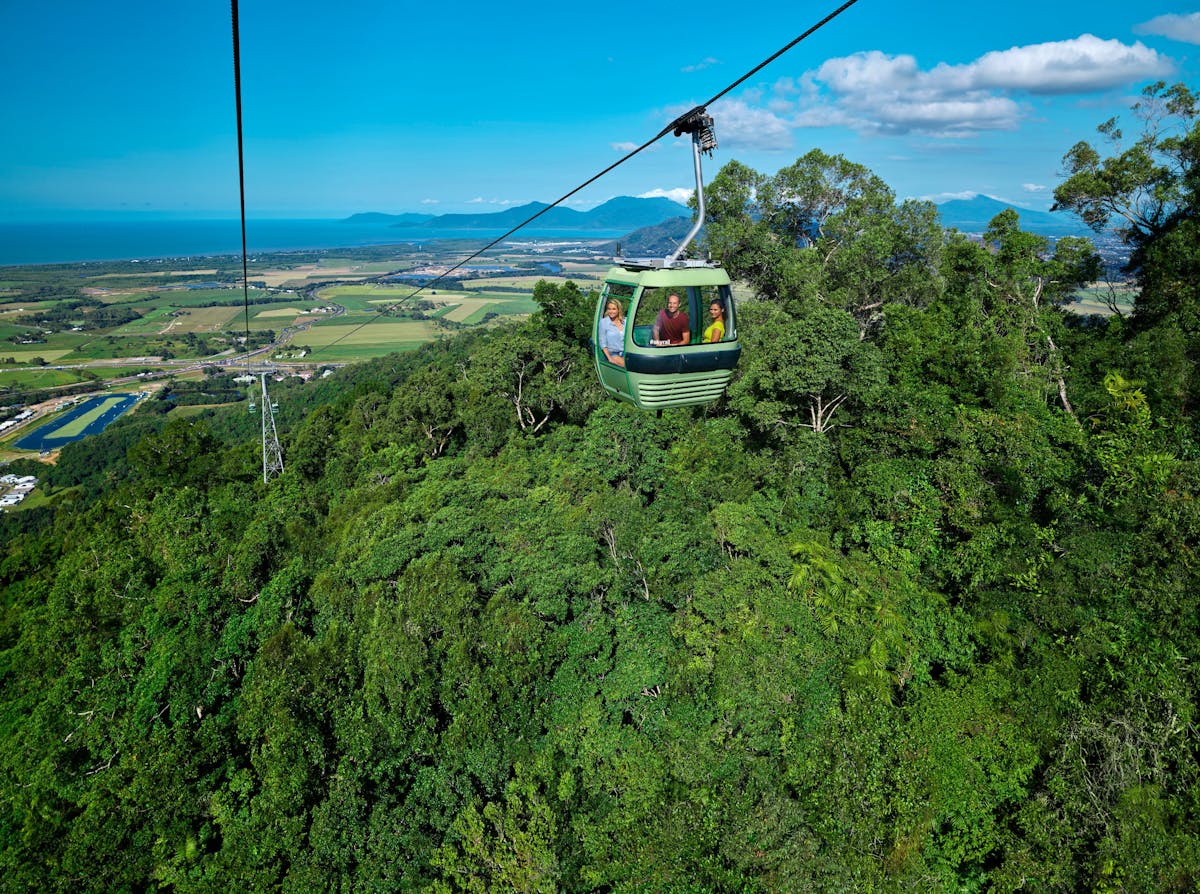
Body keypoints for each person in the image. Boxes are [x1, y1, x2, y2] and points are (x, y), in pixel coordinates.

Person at [599, 298, 626, 366]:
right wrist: (610, 358)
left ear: (618, 310)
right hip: (613, 353)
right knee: (627, 366)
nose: (611, 311)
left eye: (614, 309)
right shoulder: (604, 322)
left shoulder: (625, 321)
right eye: (609, 309)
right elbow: (603, 342)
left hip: (626, 352)